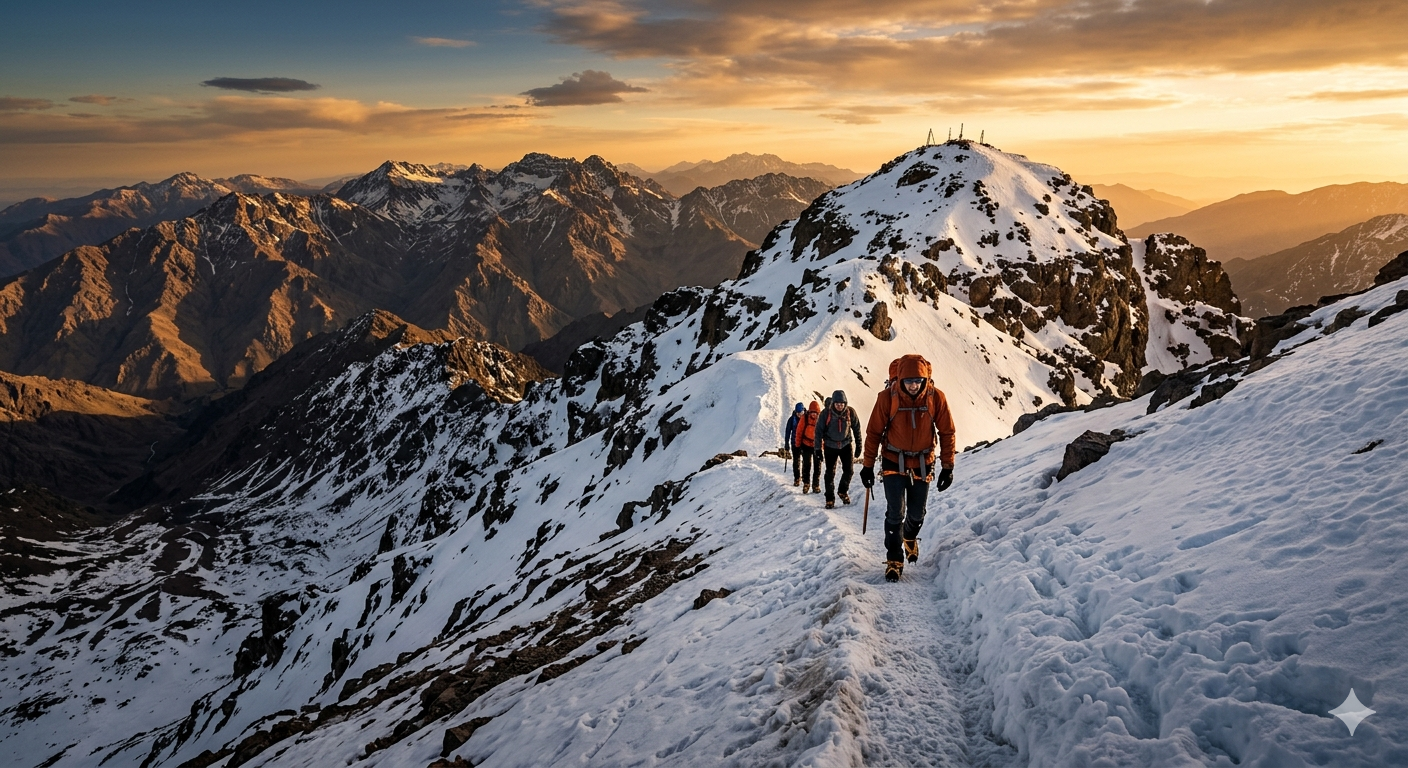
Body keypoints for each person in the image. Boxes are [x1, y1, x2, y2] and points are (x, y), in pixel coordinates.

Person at [859, 355, 956, 582]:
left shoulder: (936, 398)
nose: (913, 385)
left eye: (918, 380)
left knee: (917, 513)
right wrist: (867, 466)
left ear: (925, 379)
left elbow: (947, 432)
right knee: (895, 513)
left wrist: (947, 467)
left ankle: (909, 537)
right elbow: (873, 433)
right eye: (909, 381)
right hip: (893, 460)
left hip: (923, 462)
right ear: (900, 379)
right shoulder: (887, 398)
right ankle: (894, 559)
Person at [815, 389, 861, 509]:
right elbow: (818, 432)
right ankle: (829, 499)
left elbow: (857, 429)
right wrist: (818, 449)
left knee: (849, 470)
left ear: (845, 403)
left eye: (842, 404)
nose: (840, 406)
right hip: (830, 446)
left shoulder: (850, 412)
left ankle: (842, 491)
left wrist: (859, 445)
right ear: (833, 403)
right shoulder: (825, 414)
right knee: (830, 473)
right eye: (837, 403)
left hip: (846, 445)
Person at [794, 401, 822, 493]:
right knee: (806, 465)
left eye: (815, 413)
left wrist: (824, 448)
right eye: (812, 412)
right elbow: (799, 431)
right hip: (806, 445)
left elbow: (825, 434)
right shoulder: (804, 418)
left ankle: (816, 485)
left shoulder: (822, 419)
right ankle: (806, 484)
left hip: (817, 446)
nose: (814, 415)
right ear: (809, 412)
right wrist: (797, 445)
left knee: (817, 466)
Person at [783, 403, 804, 485]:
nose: (799, 415)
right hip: (794, 443)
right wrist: (786, 443)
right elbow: (788, 431)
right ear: (795, 412)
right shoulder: (792, 419)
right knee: (796, 461)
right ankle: (797, 478)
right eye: (798, 413)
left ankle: (804, 476)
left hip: (804, 443)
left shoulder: (806, 419)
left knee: (805, 461)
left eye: (801, 413)